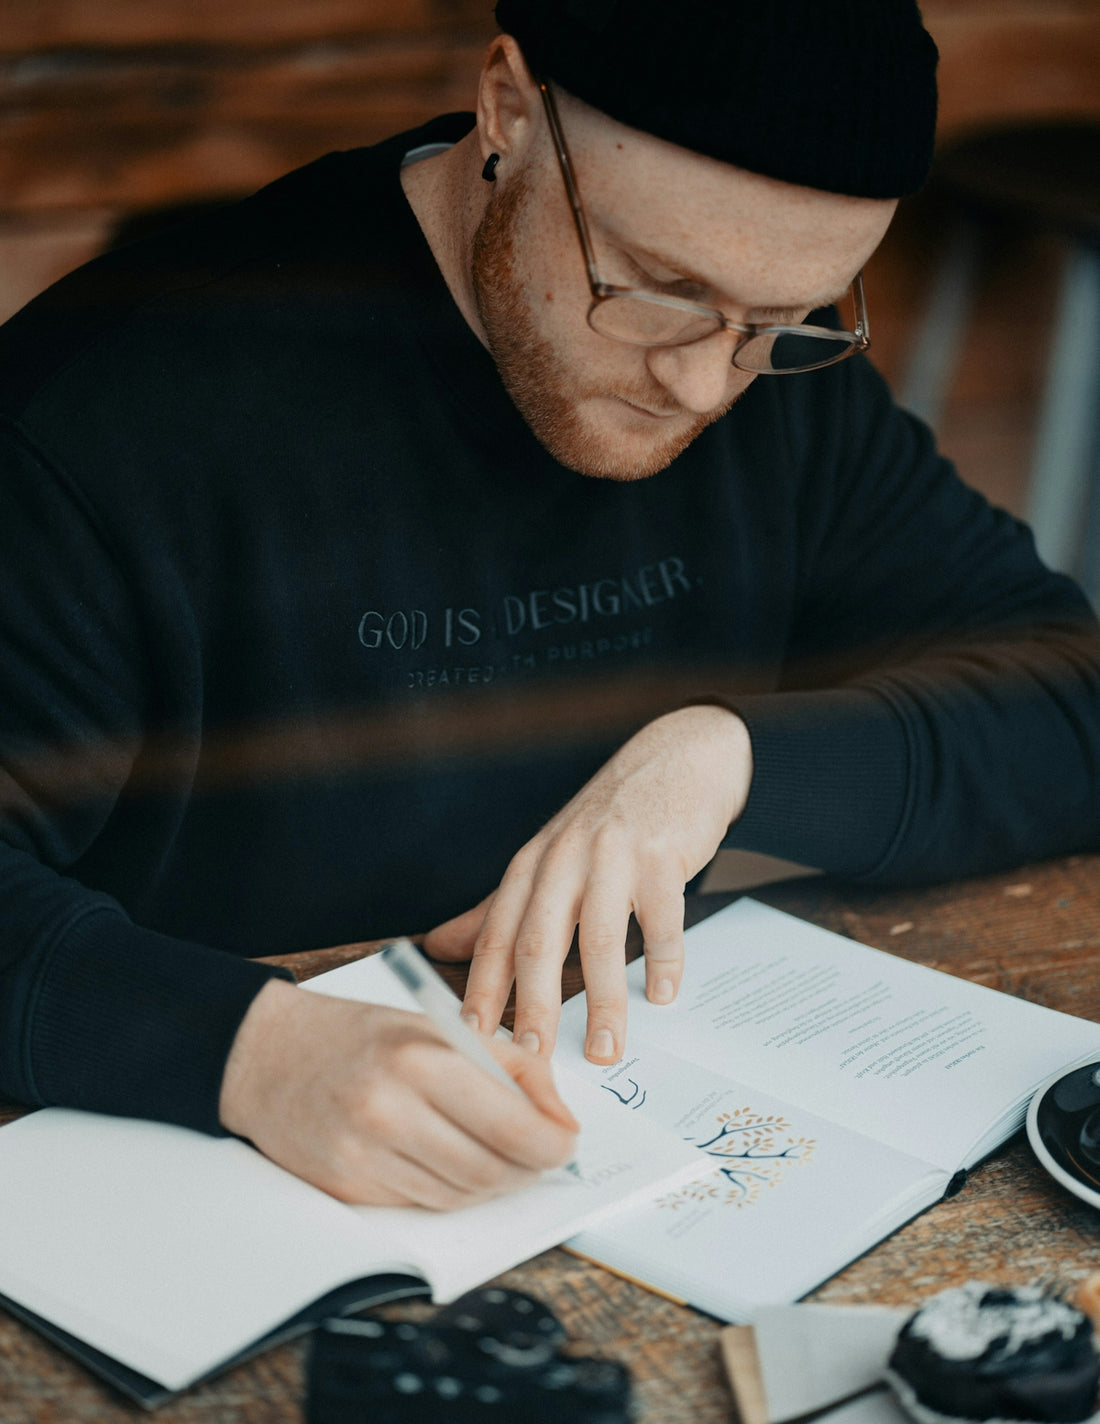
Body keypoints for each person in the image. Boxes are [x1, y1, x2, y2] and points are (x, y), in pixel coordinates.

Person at [1, 0, 1097, 1209]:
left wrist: (731, 760)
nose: (701, 384)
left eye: (784, 317)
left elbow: (1072, 703)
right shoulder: (108, 416)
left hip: (620, 1146)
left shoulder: (775, 377)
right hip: (194, 1172)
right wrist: (243, 1053)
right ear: (509, 110)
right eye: (658, 288)